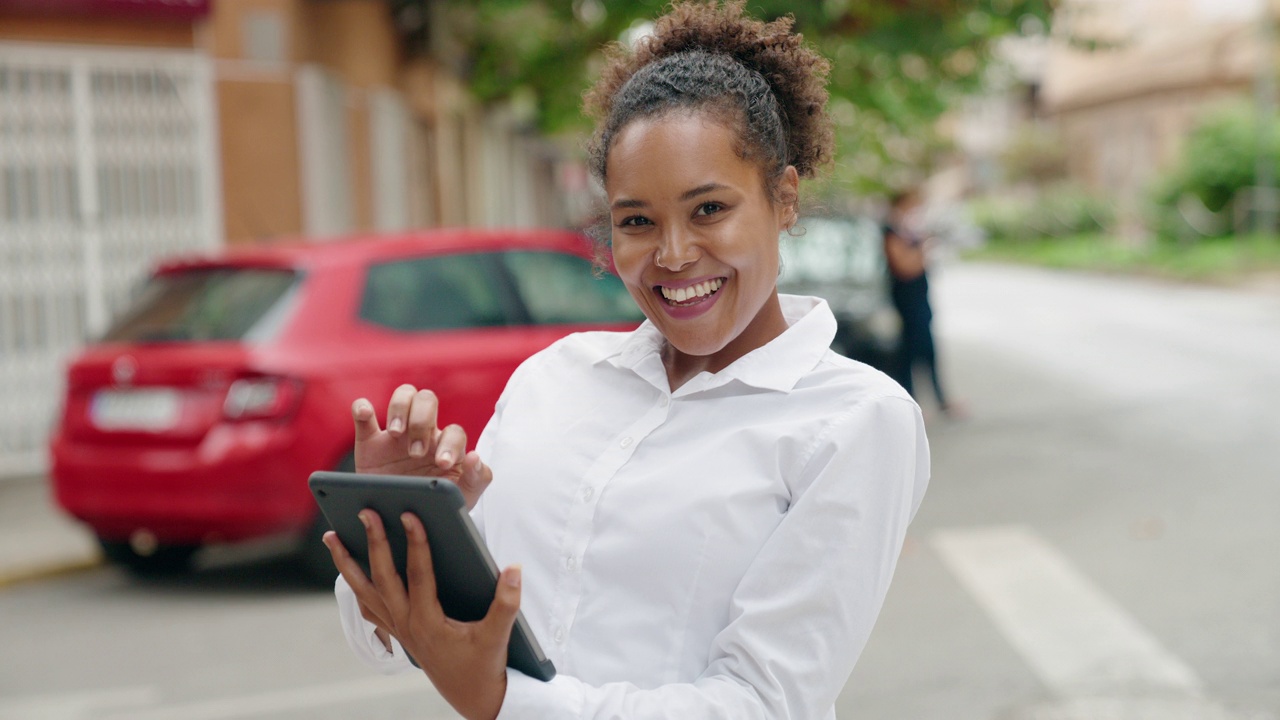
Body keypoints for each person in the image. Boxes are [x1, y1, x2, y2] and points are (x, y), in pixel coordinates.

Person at [322, 2, 930, 718]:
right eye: (636, 221)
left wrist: (500, 701)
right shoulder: (554, 379)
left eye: (709, 210)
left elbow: (763, 703)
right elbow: (406, 641)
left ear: (784, 197)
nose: (672, 254)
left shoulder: (855, 421)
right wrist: (394, 534)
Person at [882, 188, 961, 418]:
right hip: (907, 300)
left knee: (925, 349)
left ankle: (936, 400)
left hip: (919, 298)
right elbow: (906, 267)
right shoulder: (892, 232)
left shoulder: (908, 232)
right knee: (911, 351)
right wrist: (923, 249)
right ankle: (913, 402)